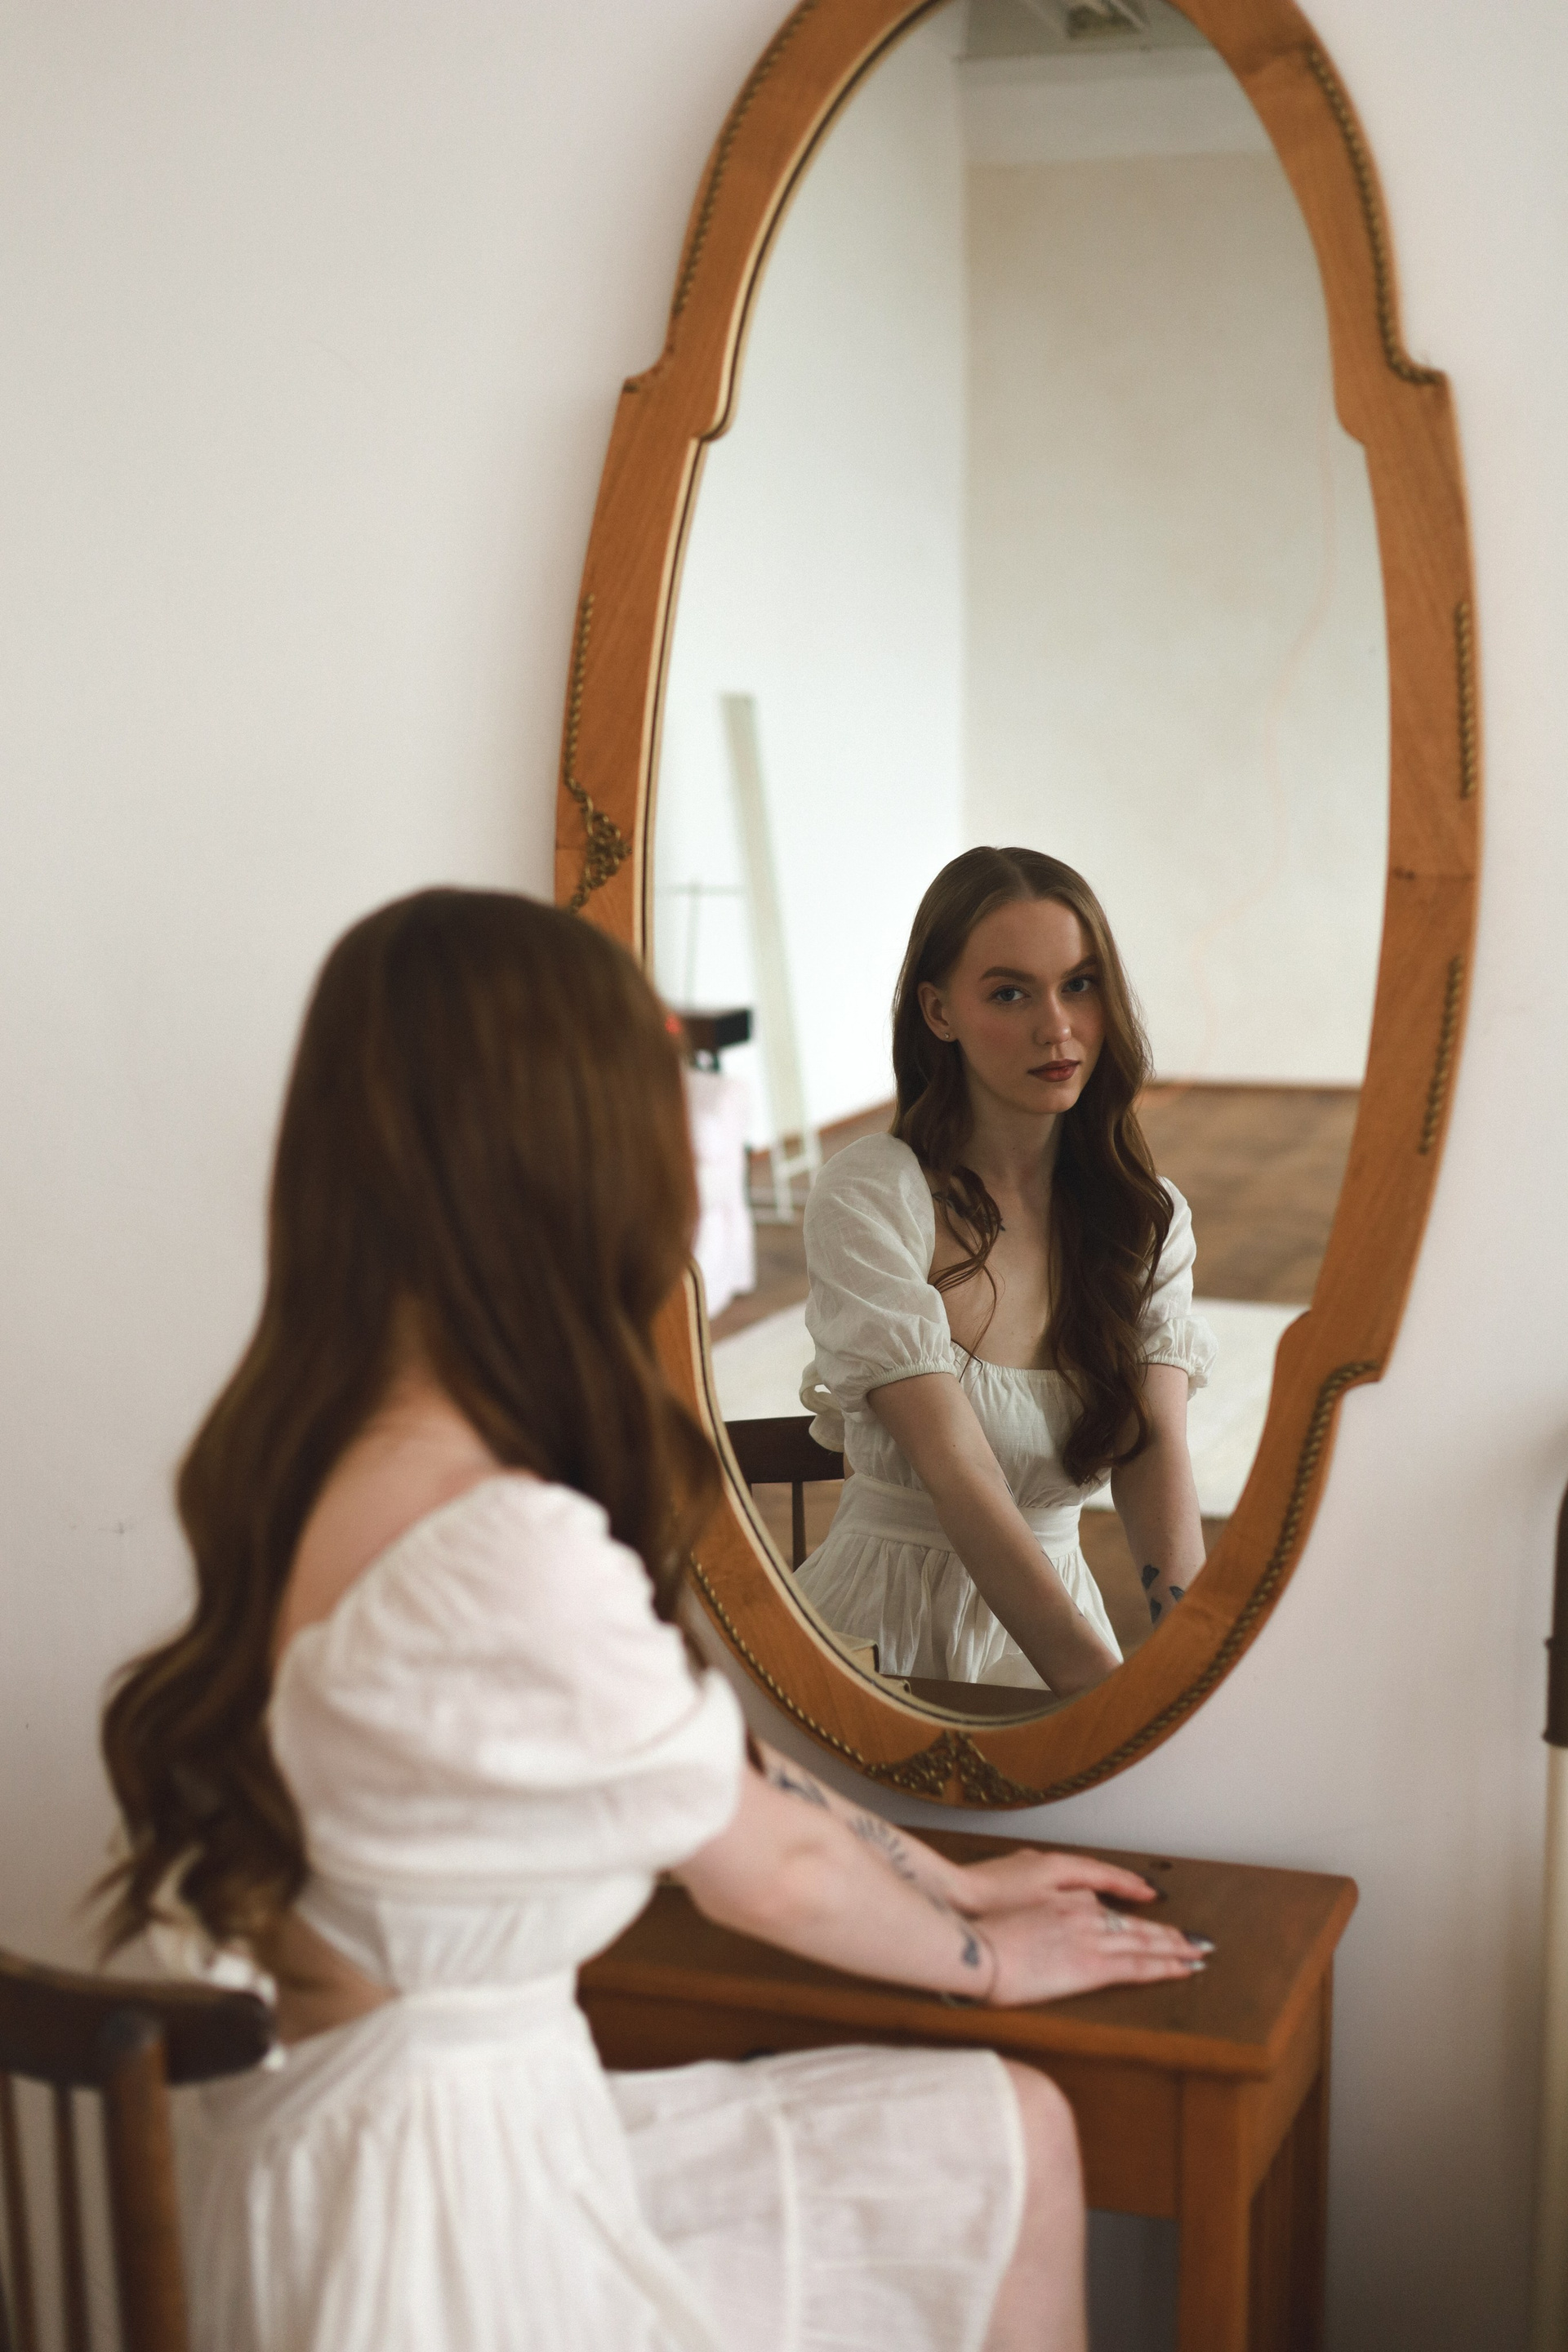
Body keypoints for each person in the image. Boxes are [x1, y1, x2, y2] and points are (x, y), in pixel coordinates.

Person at [97, 888, 1206, 2352]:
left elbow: (713, 1774)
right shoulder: (499, 1543)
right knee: (1009, 2137)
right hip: (436, 2230)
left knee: (1002, 2134)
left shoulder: (310, 1446)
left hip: (344, 2154)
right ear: (564, 1152)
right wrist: (994, 1956)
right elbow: (767, 1871)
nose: (697, 1143)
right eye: (664, 1093)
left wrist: (957, 1879)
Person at [795, 847, 1215, 1695]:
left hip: (1062, 1624)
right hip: (881, 1639)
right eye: (1010, 994)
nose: (1057, 1028)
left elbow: (1154, 1453)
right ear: (939, 1011)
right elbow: (959, 1471)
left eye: (1080, 985)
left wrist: (1193, 1671)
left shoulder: (1145, 1217)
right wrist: (1097, 1692)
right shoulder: (872, 1194)